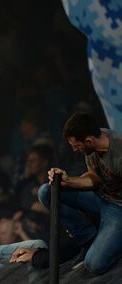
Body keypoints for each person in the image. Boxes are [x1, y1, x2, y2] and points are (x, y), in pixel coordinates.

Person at [38, 112, 122, 274]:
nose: (75, 150)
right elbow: (95, 177)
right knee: (47, 192)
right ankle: (87, 237)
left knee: (94, 264)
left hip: (118, 209)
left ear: (88, 141)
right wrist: (67, 181)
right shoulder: (94, 143)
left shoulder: (118, 154)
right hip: (101, 197)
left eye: (77, 146)